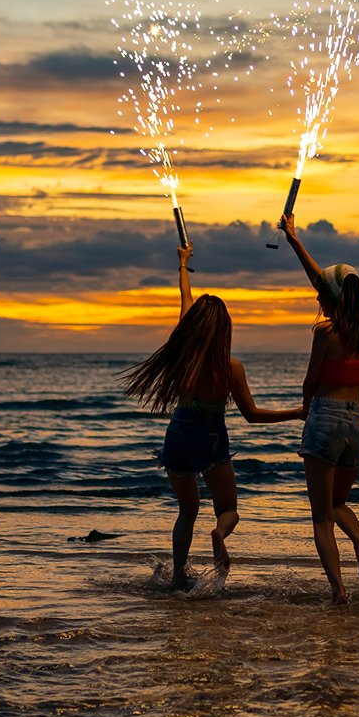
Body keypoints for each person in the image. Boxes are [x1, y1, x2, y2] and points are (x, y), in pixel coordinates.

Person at [122, 241, 305, 592]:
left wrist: (182, 265)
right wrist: (296, 412)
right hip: (210, 439)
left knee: (187, 510)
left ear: (194, 327)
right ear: (224, 329)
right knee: (228, 508)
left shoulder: (183, 356)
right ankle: (219, 533)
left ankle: (177, 576)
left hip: (178, 435)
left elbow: (185, 301)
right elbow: (252, 415)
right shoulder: (231, 367)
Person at [278, 214, 359, 604]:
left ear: (333, 297)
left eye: (323, 294)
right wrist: (293, 240)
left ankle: (339, 592)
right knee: (338, 503)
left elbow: (310, 380)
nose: (317, 297)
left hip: (326, 418)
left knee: (321, 516)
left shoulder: (325, 333)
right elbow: (322, 281)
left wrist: (305, 409)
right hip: (358, 424)